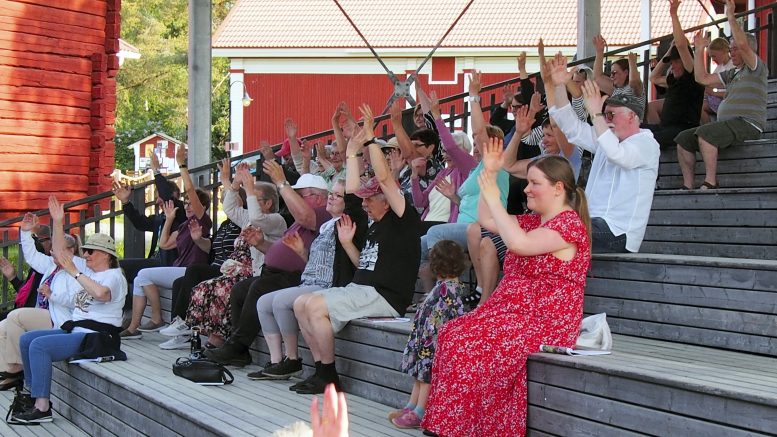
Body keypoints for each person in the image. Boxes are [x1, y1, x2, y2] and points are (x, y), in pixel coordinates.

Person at [422, 142, 591, 437]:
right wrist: (490, 171)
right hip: (511, 312)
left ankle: (470, 427)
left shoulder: (569, 226)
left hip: (544, 319)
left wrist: (493, 196)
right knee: (452, 332)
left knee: (471, 340)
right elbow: (486, 220)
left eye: (534, 183)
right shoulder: (532, 221)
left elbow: (519, 245)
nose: (526, 189)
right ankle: (451, 425)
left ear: (558, 187)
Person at [291, 104, 421, 395]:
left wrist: (372, 140)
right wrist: (351, 152)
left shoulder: (403, 218)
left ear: (387, 200)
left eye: (370, 200)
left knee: (313, 305)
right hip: (361, 289)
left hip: (385, 297)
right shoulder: (374, 221)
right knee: (301, 303)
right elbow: (352, 192)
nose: (364, 204)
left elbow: (385, 180)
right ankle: (320, 370)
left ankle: (328, 374)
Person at [11, 196, 127, 425]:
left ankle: (42, 407)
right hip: (77, 330)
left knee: (40, 346)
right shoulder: (90, 270)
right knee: (27, 340)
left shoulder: (114, 276)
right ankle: (33, 395)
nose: (85, 256)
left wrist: (75, 272)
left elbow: (102, 294)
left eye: (90, 252)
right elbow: (60, 252)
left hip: (98, 337)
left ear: (106, 254)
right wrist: (58, 221)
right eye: (85, 252)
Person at [204, 169, 331, 366]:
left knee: (259, 288)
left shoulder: (323, 214)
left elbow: (306, 219)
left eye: (300, 195)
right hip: (274, 272)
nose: (294, 199)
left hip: (297, 276)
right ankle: (239, 350)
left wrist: (281, 183)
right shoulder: (298, 223)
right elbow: (280, 251)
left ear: (319, 197)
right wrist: (260, 243)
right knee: (239, 290)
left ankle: (237, 345)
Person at [159, 160, 287, 347]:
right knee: (202, 288)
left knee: (218, 289)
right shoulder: (247, 219)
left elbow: (256, 218)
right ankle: (197, 331)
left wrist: (249, 188)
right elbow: (230, 208)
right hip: (234, 271)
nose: (250, 199)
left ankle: (214, 340)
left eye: (256, 198)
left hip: (254, 273)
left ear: (268, 203)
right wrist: (235, 183)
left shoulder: (276, 220)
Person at [249, 178, 367, 380]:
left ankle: (293, 359)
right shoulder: (326, 226)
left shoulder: (347, 224)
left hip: (327, 285)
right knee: (263, 302)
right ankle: (277, 361)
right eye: (332, 192)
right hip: (310, 281)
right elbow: (316, 263)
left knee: (280, 301)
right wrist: (302, 252)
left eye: (338, 195)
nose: (332, 197)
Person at [547, 53, 659, 253]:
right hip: (592, 224)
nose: (606, 120)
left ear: (632, 116)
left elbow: (618, 155)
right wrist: (559, 86)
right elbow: (571, 128)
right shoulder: (606, 138)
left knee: (552, 234)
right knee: (536, 226)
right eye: (605, 114)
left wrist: (596, 114)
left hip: (619, 234)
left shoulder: (646, 144)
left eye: (611, 115)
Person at [675, 0, 768, 190]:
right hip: (728, 125)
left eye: (734, 49)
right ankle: (688, 185)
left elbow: (742, 44)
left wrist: (731, 15)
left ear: (747, 50)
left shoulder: (755, 67)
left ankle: (711, 181)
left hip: (748, 123)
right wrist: (700, 49)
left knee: (706, 133)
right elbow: (702, 78)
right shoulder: (733, 73)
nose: (732, 52)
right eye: (731, 48)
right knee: (683, 139)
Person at [121, 144, 212, 338]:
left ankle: (157, 320)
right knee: (139, 278)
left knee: (143, 274)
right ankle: (132, 328)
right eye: (186, 204)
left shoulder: (201, 220)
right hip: (178, 269)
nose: (187, 207)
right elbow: (164, 244)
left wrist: (179, 165)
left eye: (190, 204)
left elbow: (189, 191)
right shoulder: (181, 224)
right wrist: (169, 219)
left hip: (189, 270)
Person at [390, 240, 467, 429]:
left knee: (426, 377)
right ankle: (411, 405)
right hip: (425, 339)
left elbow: (456, 314)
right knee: (419, 375)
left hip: (434, 342)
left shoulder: (450, 288)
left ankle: (420, 412)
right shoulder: (442, 285)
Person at [0, 218, 80, 390]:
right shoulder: (52, 265)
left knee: (16, 315)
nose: (52, 254)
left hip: (59, 318)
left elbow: (75, 300)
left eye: (57, 250)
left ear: (71, 250)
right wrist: (26, 231)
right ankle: (7, 372)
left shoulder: (78, 268)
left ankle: (16, 368)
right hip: (44, 313)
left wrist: (52, 294)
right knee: (2, 327)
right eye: (52, 251)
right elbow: (31, 255)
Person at [644, 0, 705, 149]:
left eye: (677, 62)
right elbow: (654, 78)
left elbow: (682, 45)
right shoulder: (673, 80)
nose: (674, 65)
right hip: (665, 128)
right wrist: (668, 54)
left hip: (683, 130)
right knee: (634, 131)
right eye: (672, 62)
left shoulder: (693, 76)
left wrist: (673, 15)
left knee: (645, 141)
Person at [0, 225, 51, 320]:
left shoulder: (49, 266)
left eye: (39, 241)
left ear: (50, 241)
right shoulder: (35, 267)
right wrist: (12, 277)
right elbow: (27, 293)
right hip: (22, 310)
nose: (36, 245)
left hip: (35, 315)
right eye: (33, 242)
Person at [593, 34, 645, 113]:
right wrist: (599, 52)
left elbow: (634, 81)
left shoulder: (635, 89)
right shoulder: (616, 89)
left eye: (614, 73)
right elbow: (597, 78)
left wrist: (632, 63)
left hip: (631, 124)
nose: (611, 76)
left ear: (626, 72)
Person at [700, 37, 733, 124]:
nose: (713, 60)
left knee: (698, 106)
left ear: (723, 51)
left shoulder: (732, 66)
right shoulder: (719, 67)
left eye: (714, 56)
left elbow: (732, 91)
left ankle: (707, 129)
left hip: (727, 102)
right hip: (717, 98)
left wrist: (713, 92)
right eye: (711, 57)